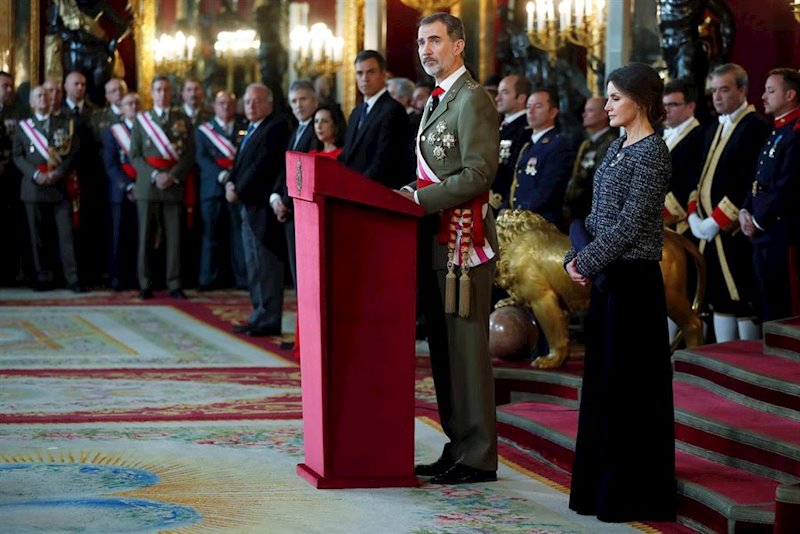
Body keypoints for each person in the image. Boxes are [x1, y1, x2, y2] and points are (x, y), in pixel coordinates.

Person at [564, 63, 676, 522]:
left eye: (614, 98)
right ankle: (597, 489)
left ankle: (629, 493)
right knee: (603, 387)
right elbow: (597, 215)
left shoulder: (654, 152)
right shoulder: (616, 146)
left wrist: (586, 262)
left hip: (633, 285)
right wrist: (574, 256)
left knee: (629, 391)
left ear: (641, 102)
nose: (607, 106)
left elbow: (631, 225)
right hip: (608, 280)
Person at [397, 12, 499, 485]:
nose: (426, 50)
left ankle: (478, 455)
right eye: (421, 42)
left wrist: (419, 200)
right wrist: (406, 193)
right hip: (437, 236)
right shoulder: (438, 97)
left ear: (458, 46)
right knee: (443, 350)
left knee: (467, 351)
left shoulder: (472, 98)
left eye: (435, 41)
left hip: (464, 241)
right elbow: (433, 172)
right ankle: (457, 443)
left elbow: (479, 173)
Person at [687, 63, 770, 342]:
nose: (717, 97)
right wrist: (694, 215)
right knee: (718, 296)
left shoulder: (755, 127)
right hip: (707, 231)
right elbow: (699, 174)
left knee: (742, 294)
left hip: (734, 231)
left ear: (742, 90)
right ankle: (723, 354)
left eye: (724, 90)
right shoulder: (713, 128)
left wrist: (716, 220)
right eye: (714, 91)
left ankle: (748, 357)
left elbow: (747, 180)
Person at [225, 83, 290, 337]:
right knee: (253, 264)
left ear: (269, 103)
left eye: (257, 100)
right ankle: (258, 315)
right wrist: (230, 182)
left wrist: (238, 189)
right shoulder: (250, 128)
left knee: (266, 265)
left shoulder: (274, 128)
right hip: (248, 206)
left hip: (263, 208)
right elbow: (240, 163)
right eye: (248, 101)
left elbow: (261, 166)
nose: (251, 105)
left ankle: (269, 319)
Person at [740, 68, 800, 322]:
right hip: (763, 233)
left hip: (781, 233)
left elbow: (788, 185)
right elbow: (759, 180)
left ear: (790, 95)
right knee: (766, 305)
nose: (763, 96)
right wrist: (745, 209)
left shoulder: (795, 133)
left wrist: (757, 220)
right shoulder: (777, 131)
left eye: (770, 91)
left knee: (783, 307)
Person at [129, 75, 195, 300]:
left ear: (172, 93)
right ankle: (145, 283)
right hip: (148, 185)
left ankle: (174, 283)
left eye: (166, 89)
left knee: (174, 238)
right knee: (145, 236)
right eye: (158, 89)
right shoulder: (142, 120)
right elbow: (135, 155)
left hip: (173, 184)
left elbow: (189, 153)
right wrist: (155, 175)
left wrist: (173, 175)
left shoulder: (183, 120)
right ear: (151, 93)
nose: (162, 94)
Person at [13, 85, 82, 292]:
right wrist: (36, 174)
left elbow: (73, 152)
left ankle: (72, 278)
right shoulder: (23, 127)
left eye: (46, 94)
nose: (44, 97)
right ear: (31, 102)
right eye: (38, 95)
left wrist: (59, 172)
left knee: (66, 235)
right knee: (37, 236)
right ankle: (41, 277)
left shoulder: (65, 123)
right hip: (34, 187)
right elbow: (18, 156)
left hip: (59, 185)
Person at [195, 90, 248, 291]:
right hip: (212, 189)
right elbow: (201, 158)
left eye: (229, 103)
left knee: (239, 236)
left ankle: (242, 279)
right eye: (221, 103)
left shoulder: (244, 129)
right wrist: (222, 176)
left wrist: (233, 179)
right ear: (214, 107)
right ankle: (208, 279)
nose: (226, 107)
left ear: (235, 106)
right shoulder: (204, 131)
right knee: (211, 236)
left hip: (238, 188)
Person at [339, 50, 412, 189]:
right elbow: (347, 154)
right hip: (352, 190)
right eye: (359, 73)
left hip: (376, 191)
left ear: (383, 74)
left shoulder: (393, 110)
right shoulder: (356, 112)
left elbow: (384, 160)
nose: (364, 78)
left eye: (371, 72)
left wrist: (356, 187)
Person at [509, 87, 574, 229]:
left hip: (541, 224)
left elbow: (547, 190)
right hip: (521, 221)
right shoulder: (529, 144)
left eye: (538, 106)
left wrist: (519, 211)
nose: (530, 111)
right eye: (528, 107)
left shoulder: (558, 145)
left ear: (553, 112)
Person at [101, 91, 140, 291]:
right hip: (120, 191)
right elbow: (110, 165)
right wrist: (128, 185)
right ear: (122, 109)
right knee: (118, 237)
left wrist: (141, 185)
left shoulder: (148, 130)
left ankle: (139, 276)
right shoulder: (113, 131)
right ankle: (117, 277)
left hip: (143, 190)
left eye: (136, 103)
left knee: (140, 237)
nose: (133, 107)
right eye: (129, 103)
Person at [563, 96, 619, 224]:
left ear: (604, 114)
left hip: (592, 213)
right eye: (585, 110)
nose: (584, 114)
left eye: (590, 110)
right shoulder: (589, 143)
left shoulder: (610, 143)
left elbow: (597, 181)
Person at [661, 78, 704, 234]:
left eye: (672, 105)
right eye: (664, 105)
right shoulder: (664, 134)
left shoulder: (699, 137)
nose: (666, 110)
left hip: (678, 222)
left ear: (690, 106)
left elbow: (690, 182)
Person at [491, 73, 531, 212]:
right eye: (498, 93)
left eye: (505, 92)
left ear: (521, 98)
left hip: (503, 203)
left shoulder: (525, 130)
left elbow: (516, 171)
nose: (497, 98)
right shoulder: (501, 126)